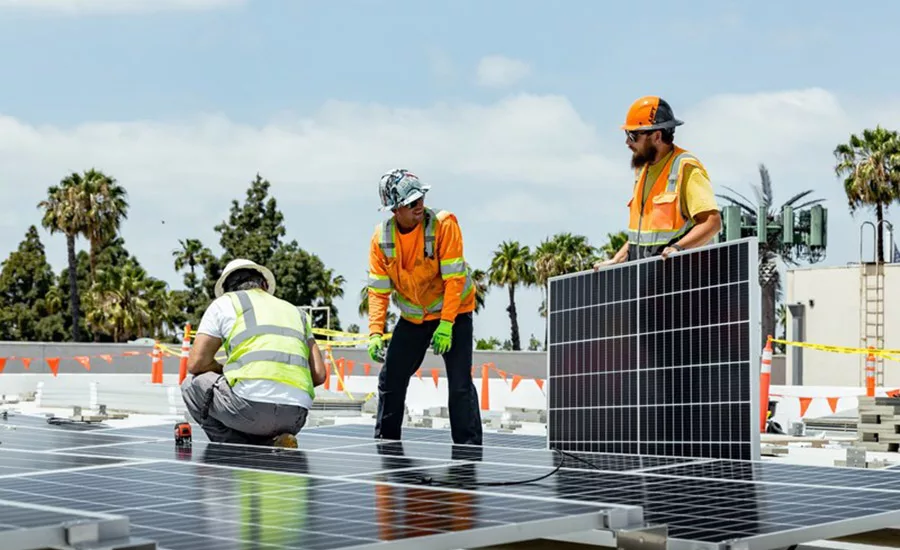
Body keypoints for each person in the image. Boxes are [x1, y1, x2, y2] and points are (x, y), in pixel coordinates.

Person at [366, 168, 483, 445]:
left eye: (421, 199)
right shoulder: (381, 240)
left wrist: (446, 323)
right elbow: (378, 292)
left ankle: (468, 451)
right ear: (395, 210)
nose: (419, 206)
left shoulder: (443, 224)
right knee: (391, 378)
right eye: (411, 202)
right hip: (413, 318)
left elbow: (455, 279)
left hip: (453, 314)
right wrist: (374, 332)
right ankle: (386, 444)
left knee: (459, 385)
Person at [181, 258, 327, 448]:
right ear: (265, 284)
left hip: (248, 410)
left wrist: (224, 370)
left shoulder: (225, 304)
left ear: (227, 290)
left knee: (190, 385)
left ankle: (237, 447)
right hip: (295, 416)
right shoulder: (296, 312)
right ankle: (272, 441)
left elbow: (196, 363)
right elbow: (319, 375)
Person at [597, 96, 721, 267]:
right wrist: (617, 260)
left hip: (676, 279)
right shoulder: (642, 171)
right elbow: (643, 236)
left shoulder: (685, 167)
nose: (627, 142)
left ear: (656, 136)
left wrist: (678, 248)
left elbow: (711, 222)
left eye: (632, 135)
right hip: (645, 280)